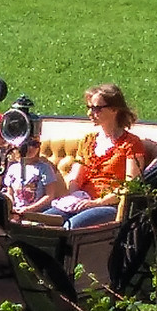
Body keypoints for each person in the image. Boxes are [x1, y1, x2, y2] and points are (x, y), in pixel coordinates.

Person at [33, 83, 147, 229]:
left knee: (71, 227)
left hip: (109, 205)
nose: (90, 114)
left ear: (114, 109)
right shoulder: (88, 140)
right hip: (81, 200)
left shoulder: (131, 144)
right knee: (42, 222)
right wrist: (74, 197)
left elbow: (130, 186)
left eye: (97, 109)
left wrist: (97, 203)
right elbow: (76, 177)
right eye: (89, 108)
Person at [0, 135, 64, 218]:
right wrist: (11, 207)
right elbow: (10, 193)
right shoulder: (13, 168)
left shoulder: (44, 168)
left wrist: (29, 209)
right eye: (25, 143)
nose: (30, 148)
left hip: (39, 212)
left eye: (34, 144)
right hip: (17, 211)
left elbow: (49, 195)